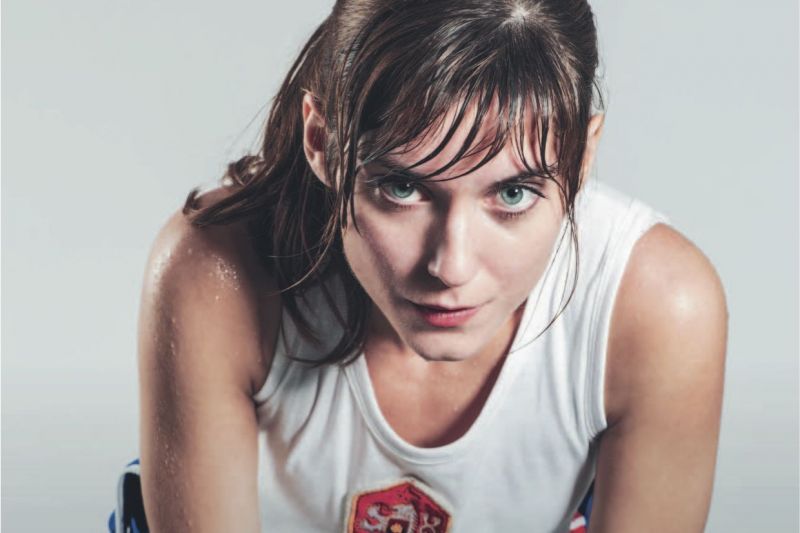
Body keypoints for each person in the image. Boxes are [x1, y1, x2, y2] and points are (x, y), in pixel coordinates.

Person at [135, 1, 728, 531]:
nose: (451, 266)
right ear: (321, 142)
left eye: (513, 194)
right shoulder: (217, 273)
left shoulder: (656, 305)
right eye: (401, 188)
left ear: (580, 159)